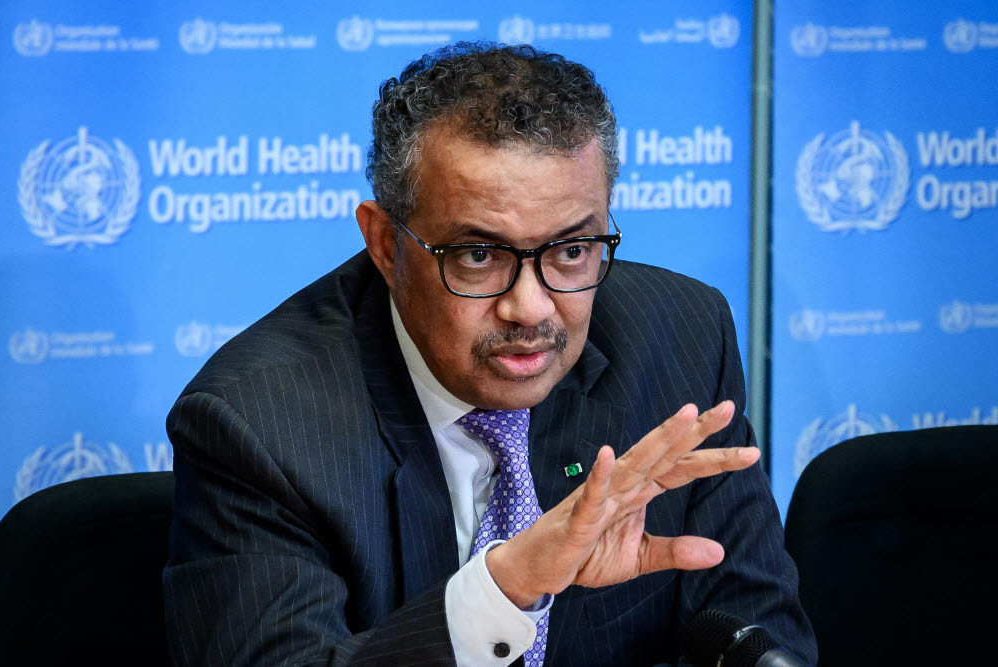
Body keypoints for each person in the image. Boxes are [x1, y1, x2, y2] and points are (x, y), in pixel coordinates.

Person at [163, 42, 817, 666]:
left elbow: (757, 637)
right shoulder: (258, 420)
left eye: (570, 250)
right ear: (387, 245)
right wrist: (504, 590)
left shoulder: (681, 339)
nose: (531, 308)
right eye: (479, 255)